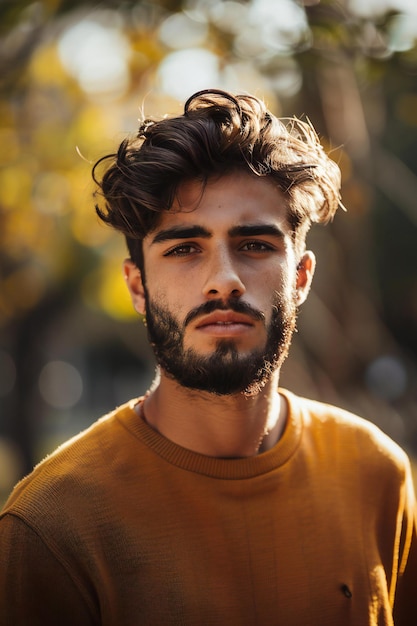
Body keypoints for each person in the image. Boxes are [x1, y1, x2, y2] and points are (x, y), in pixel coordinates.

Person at [0, 89, 416, 625]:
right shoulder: (51, 526)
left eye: (255, 245)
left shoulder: (377, 475)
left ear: (302, 276)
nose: (224, 280)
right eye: (183, 249)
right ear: (138, 285)